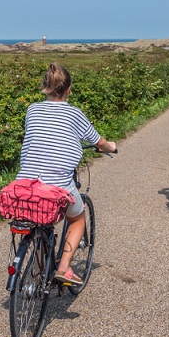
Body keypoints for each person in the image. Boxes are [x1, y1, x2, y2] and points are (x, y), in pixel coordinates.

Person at [16, 63, 117, 285]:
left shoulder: (32, 109)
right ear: (69, 88)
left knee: (38, 221)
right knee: (77, 219)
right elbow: (97, 141)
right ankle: (63, 268)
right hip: (58, 184)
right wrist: (111, 146)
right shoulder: (74, 113)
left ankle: (38, 271)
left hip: (26, 182)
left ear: (45, 87)